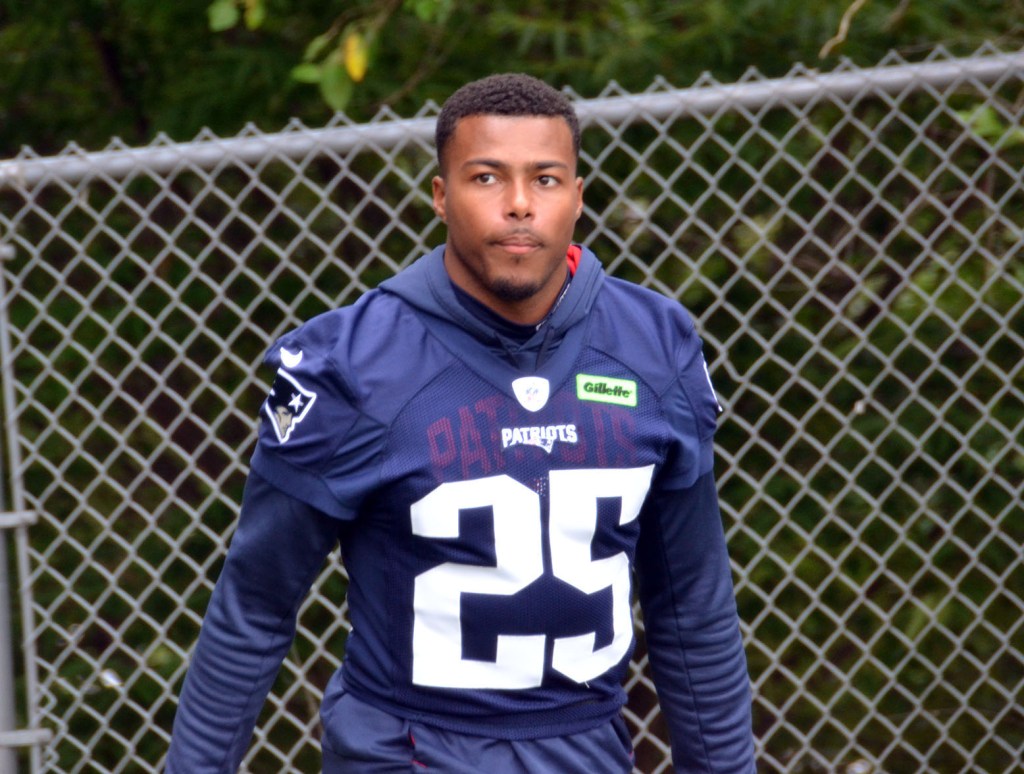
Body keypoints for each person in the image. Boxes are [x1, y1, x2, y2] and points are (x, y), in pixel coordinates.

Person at [166, 73, 755, 773]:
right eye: (485, 177)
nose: (517, 205)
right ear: (441, 195)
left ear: (576, 196)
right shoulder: (356, 365)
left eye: (544, 179)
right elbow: (255, 606)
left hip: (588, 750)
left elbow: (691, 602)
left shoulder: (652, 346)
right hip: (407, 751)